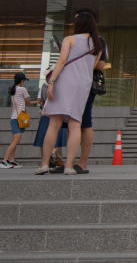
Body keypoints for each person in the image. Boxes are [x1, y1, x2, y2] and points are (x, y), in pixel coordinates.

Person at [35, 9, 104, 176]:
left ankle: (44, 164)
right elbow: (94, 66)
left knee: (54, 123)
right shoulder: (98, 45)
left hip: (66, 82)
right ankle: (69, 166)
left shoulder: (69, 39)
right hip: (83, 85)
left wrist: (51, 82)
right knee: (75, 124)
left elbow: (62, 61)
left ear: (79, 23)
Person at [74, 22, 108, 174]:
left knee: (85, 121)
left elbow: (101, 65)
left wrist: (81, 65)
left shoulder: (98, 41)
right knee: (70, 123)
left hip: (86, 85)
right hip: (72, 85)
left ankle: (82, 163)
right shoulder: (73, 40)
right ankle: (68, 160)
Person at [1, 72, 36, 168]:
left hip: (14, 117)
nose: (24, 82)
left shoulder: (14, 89)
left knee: (14, 140)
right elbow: (28, 101)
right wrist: (37, 101)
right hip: (18, 118)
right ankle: (4, 161)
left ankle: (11, 160)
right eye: (24, 80)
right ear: (21, 80)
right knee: (15, 141)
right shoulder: (22, 89)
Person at [32, 78, 67, 171]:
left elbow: (40, 100)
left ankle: (48, 160)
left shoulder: (44, 86)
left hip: (48, 113)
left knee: (45, 136)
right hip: (54, 113)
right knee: (53, 136)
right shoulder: (55, 85)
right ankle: (54, 159)